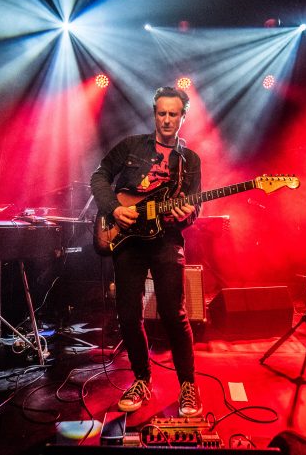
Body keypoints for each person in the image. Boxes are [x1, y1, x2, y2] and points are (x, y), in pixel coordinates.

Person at [90, 86, 202, 417]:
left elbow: (194, 207)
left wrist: (187, 214)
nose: (167, 120)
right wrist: (112, 208)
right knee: (128, 314)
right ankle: (141, 379)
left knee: (174, 313)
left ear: (184, 116)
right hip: (128, 239)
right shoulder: (130, 146)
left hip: (166, 239)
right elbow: (99, 176)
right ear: (155, 113)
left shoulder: (190, 160)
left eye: (174, 114)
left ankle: (188, 386)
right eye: (162, 113)